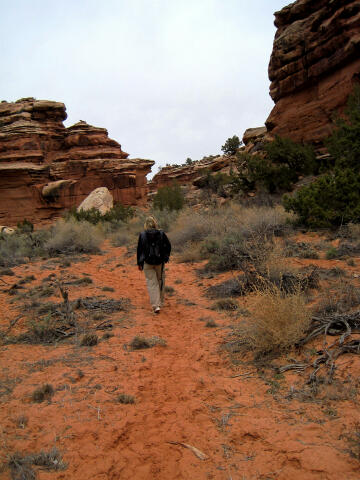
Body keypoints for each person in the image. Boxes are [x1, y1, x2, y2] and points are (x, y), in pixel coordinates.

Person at [137, 216, 171, 314]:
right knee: (160, 281)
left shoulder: (142, 235)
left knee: (152, 283)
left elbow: (139, 250)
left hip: (147, 262)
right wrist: (166, 257)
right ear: (155, 223)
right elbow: (168, 245)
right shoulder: (161, 233)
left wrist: (139, 263)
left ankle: (156, 306)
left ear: (146, 225)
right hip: (159, 262)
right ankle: (159, 302)